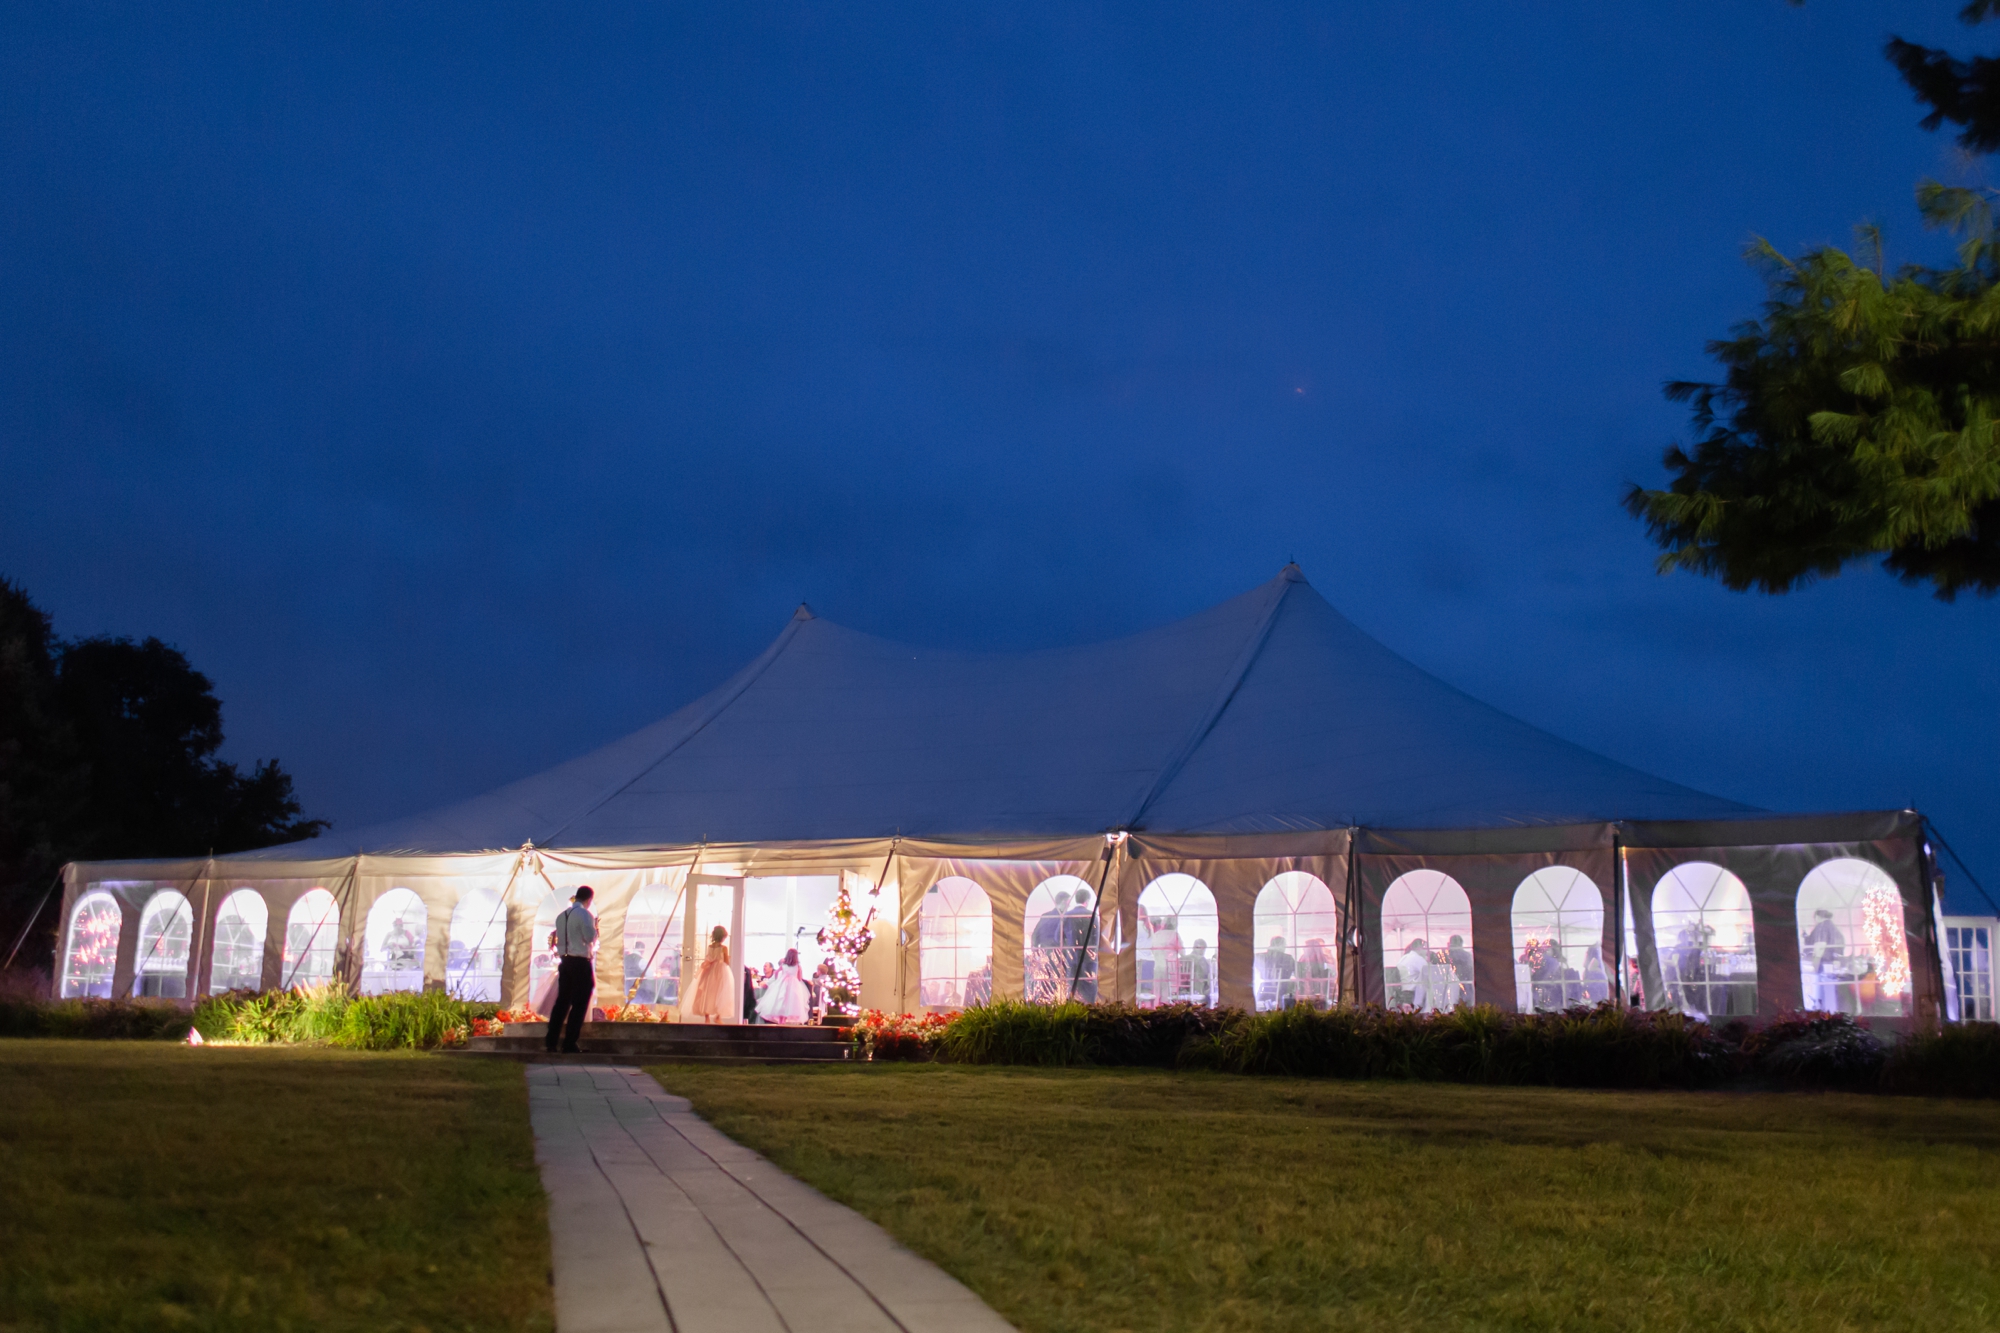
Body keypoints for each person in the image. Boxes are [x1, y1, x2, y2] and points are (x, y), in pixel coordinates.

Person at [544, 886, 599, 1054]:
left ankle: (551, 1042)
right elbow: (590, 937)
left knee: (562, 1002)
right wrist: (595, 927)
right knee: (580, 1002)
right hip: (580, 961)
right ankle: (569, 1042)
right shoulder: (585, 915)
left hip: (565, 961)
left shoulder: (561, 916)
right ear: (589, 899)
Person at [684, 925, 734, 1023]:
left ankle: (707, 1017)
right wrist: (728, 957)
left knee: (707, 992)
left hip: (710, 970)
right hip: (720, 971)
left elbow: (710, 958)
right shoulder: (724, 948)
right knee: (720, 992)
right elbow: (726, 962)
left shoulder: (710, 946)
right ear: (723, 937)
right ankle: (718, 1016)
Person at [1802, 908, 1848, 1012]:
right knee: (1826, 984)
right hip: (1829, 960)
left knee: (1820, 983)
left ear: (1818, 917)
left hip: (1824, 960)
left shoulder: (1824, 926)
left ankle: (1821, 1008)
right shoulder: (1830, 927)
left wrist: (1816, 961)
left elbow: (1820, 944)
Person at [762, 947, 812, 1024]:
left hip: (783, 984)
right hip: (794, 985)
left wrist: (780, 979)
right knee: (792, 1002)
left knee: (782, 1001)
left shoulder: (783, 965)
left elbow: (776, 973)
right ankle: (785, 1020)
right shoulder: (797, 966)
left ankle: (781, 1020)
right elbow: (799, 978)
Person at [1259, 934, 1297, 1008]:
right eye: (1284, 945)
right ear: (1281, 945)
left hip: (1265, 990)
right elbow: (1297, 972)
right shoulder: (1288, 958)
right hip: (1283, 989)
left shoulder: (1262, 957)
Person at [1397, 937, 1431, 1010]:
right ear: (1419, 948)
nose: (1427, 951)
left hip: (1403, 993)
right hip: (1414, 995)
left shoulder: (1403, 958)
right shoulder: (1418, 959)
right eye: (1425, 948)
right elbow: (1429, 975)